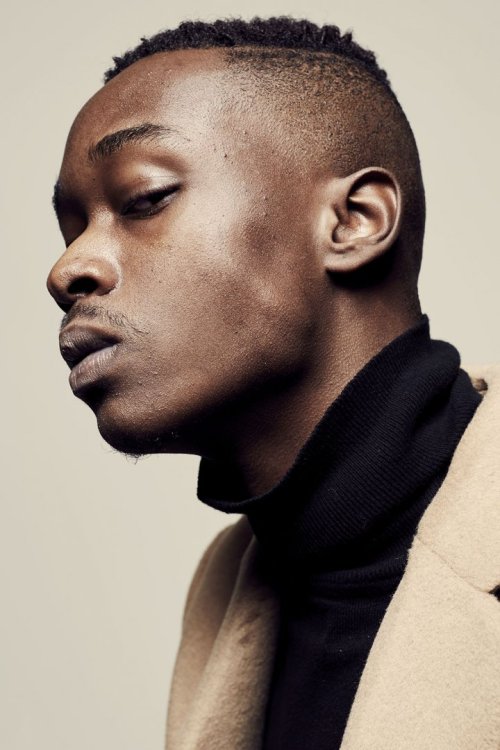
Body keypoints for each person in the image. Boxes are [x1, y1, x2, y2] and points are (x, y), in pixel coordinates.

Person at [46, 17, 500, 750]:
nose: (67, 270)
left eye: (144, 199)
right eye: (72, 227)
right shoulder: (223, 594)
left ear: (354, 221)